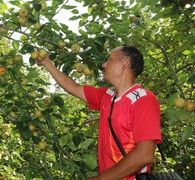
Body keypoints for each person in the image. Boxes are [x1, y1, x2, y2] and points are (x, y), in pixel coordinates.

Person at [36, 45, 162, 180]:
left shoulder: (143, 99)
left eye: (109, 59)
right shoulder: (107, 96)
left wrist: (101, 178)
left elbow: (145, 154)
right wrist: (47, 63)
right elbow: (72, 86)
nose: (104, 64)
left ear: (125, 64)